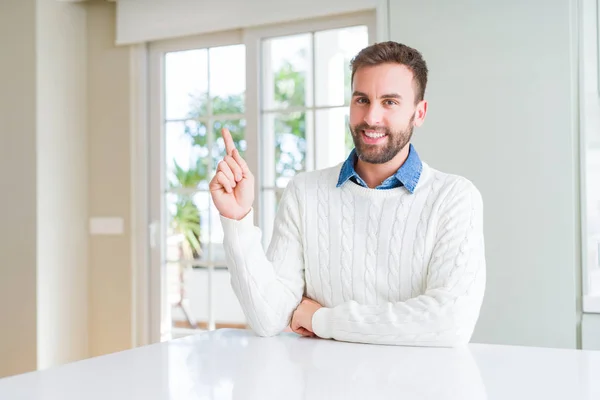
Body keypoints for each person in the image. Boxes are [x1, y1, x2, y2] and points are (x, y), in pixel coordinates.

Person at [209, 41, 486, 347]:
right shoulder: (304, 193)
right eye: (362, 100)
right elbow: (268, 319)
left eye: (390, 102)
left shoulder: (454, 198)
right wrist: (237, 221)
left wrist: (321, 319)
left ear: (419, 113)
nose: (372, 117)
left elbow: (450, 323)